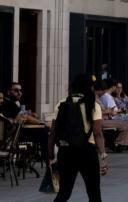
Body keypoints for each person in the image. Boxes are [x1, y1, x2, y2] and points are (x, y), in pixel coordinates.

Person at [49, 74, 107, 202]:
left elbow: (52, 133)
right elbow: (98, 134)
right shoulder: (93, 105)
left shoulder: (61, 103)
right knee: (94, 194)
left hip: (66, 151)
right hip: (87, 151)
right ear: (89, 88)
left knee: (64, 193)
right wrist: (103, 156)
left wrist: (51, 156)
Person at [95, 81, 128, 150]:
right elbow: (98, 112)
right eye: (103, 91)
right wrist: (108, 111)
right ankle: (119, 143)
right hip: (101, 120)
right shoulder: (97, 98)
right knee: (127, 123)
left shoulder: (98, 98)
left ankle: (119, 143)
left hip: (104, 119)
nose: (104, 93)